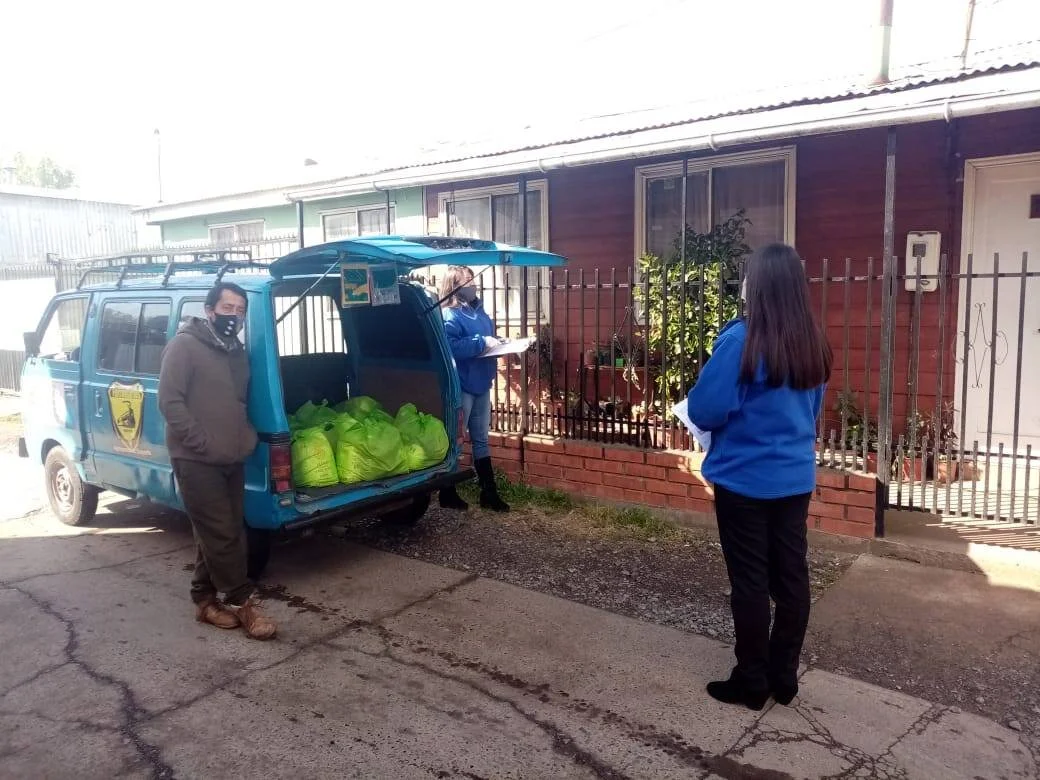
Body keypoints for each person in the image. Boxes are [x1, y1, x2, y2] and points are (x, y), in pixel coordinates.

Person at [686, 243, 831, 710]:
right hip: (794, 479)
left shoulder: (740, 341)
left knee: (749, 581)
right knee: (791, 577)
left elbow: (705, 410)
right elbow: (813, 409)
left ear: (758, 286)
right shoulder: (813, 342)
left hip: (744, 480)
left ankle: (751, 680)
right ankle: (783, 676)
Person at [158, 282, 276, 640]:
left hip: (231, 455)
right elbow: (169, 401)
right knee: (223, 533)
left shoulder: (235, 350)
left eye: (240, 310)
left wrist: (246, 437)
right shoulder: (184, 346)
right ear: (209, 310)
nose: (234, 316)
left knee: (218, 531)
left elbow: (239, 401)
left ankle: (205, 601)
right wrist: (201, 442)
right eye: (227, 308)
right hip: (195, 459)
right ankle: (243, 603)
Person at [437, 265, 511, 513]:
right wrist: (482, 342)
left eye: (473, 280)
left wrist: (499, 343)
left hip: (482, 382)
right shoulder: (449, 315)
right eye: (468, 280)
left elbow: (486, 339)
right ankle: (447, 492)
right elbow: (450, 346)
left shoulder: (478, 311)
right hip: (463, 384)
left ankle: (489, 493)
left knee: (481, 439)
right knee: (456, 440)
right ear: (455, 285)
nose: (474, 284)